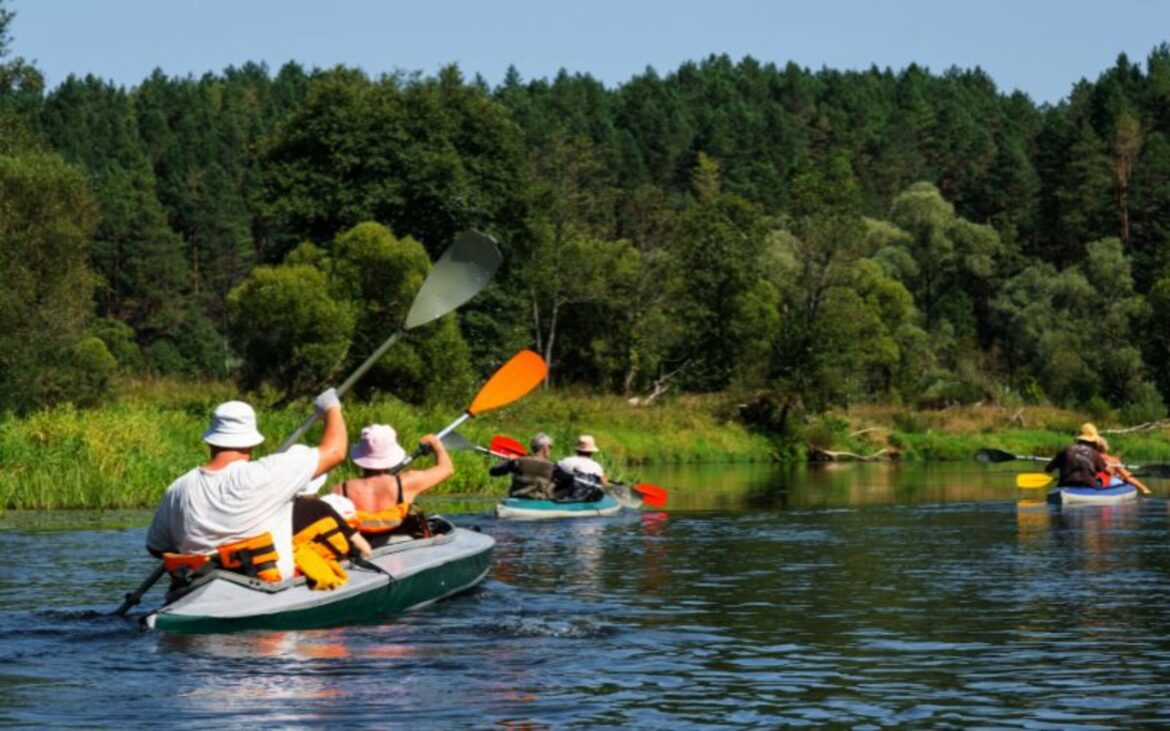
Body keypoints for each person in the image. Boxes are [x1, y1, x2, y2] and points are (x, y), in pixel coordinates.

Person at [146, 390, 347, 583]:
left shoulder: (178, 488)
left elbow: (156, 548)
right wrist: (331, 407)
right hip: (261, 584)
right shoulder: (268, 473)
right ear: (252, 442)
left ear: (210, 441)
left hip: (196, 584)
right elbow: (336, 452)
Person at [333, 424, 453, 543]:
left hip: (366, 552)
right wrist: (436, 444)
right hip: (405, 548)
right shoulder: (408, 482)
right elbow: (446, 468)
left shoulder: (340, 490)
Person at [489, 432, 557, 499]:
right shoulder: (553, 467)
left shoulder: (518, 462)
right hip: (539, 502)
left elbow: (493, 472)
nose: (550, 449)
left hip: (516, 499)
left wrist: (508, 461)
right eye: (550, 447)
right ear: (545, 447)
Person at [1045, 423, 1109, 488]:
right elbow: (1107, 471)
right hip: (1088, 486)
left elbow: (1048, 469)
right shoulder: (1095, 454)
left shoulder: (1066, 450)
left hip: (1066, 485)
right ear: (1093, 442)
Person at [555, 434, 608, 501]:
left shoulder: (567, 461)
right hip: (585, 496)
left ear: (577, 450)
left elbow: (556, 466)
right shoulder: (597, 467)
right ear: (591, 452)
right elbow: (604, 483)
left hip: (567, 494)